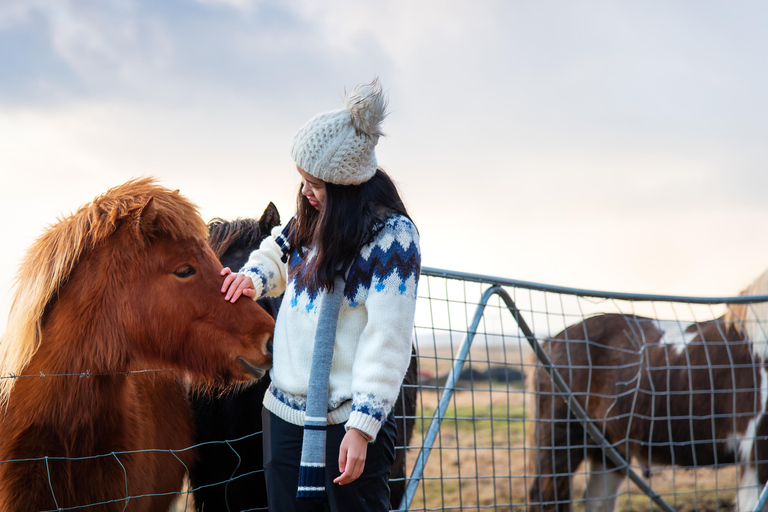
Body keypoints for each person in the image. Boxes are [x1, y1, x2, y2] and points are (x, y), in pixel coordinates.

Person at [220, 78, 421, 512]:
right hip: (283, 416)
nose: (305, 193)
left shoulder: (393, 239)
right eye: (303, 181)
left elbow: (387, 340)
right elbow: (277, 249)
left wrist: (362, 428)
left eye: (315, 184)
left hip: (347, 424)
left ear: (345, 185)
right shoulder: (311, 217)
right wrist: (252, 279)